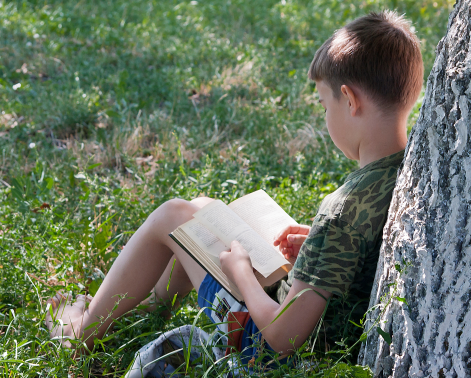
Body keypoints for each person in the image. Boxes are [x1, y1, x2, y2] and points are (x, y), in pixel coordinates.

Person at [44, 10, 423, 364]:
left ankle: (82, 331)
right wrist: (316, 247)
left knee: (174, 216)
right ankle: (141, 308)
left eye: (324, 105)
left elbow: (283, 337)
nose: (324, 116)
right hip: (316, 319)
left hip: (264, 350)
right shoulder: (410, 170)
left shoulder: (342, 209)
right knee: (205, 209)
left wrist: (241, 271)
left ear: (350, 100)